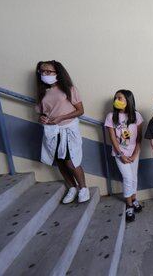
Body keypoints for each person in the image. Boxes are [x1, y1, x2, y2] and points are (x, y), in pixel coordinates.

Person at [35, 60, 90, 204]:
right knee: (59, 161)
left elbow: (80, 110)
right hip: (52, 130)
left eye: (48, 72)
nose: (44, 74)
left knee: (71, 161)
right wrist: (42, 118)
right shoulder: (42, 92)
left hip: (68, 128)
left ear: (57, 73)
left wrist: (61, 118)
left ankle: (83, 188)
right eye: (42, 72)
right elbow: (42, 113)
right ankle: (72, 187)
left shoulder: (69, 89)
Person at [105, 90, 143, 222]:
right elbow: (112, 138)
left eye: (120, 98)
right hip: (119, 152)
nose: (117, 100)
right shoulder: (111, 116)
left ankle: (134, 198)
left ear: (128, 100)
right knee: (127, 177)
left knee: (134, 178)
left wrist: (135, 154)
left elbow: (139, 138)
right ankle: (129, 205)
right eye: (116, 98)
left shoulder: (137, 116)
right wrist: (120, 154)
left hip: (134, 152)